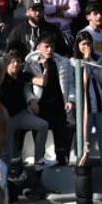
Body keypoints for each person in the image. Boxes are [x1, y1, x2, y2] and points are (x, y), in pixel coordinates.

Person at [25, 34, 75, 166]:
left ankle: (62, 159)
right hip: (39, 104)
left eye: (52, 46)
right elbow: (26, 85)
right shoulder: (30, 63)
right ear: (38, 47)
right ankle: (39, 160)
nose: (49, 49)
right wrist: (31, 100)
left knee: (61, 131)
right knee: (39, 131)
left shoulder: (63, 62)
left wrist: (71, 100)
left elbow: (70, 84)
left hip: (58, 104)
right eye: (46, 46)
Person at [72, 31, 102, 167]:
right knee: (83, 142)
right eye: (83, 44)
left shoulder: (101, 59)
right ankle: (81, 171)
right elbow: (77, 82)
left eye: (89, 44)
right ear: (77, 45)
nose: (87, 47)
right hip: (84, 109)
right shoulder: (73, 62)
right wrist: (84, 62)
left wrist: (90, 61)